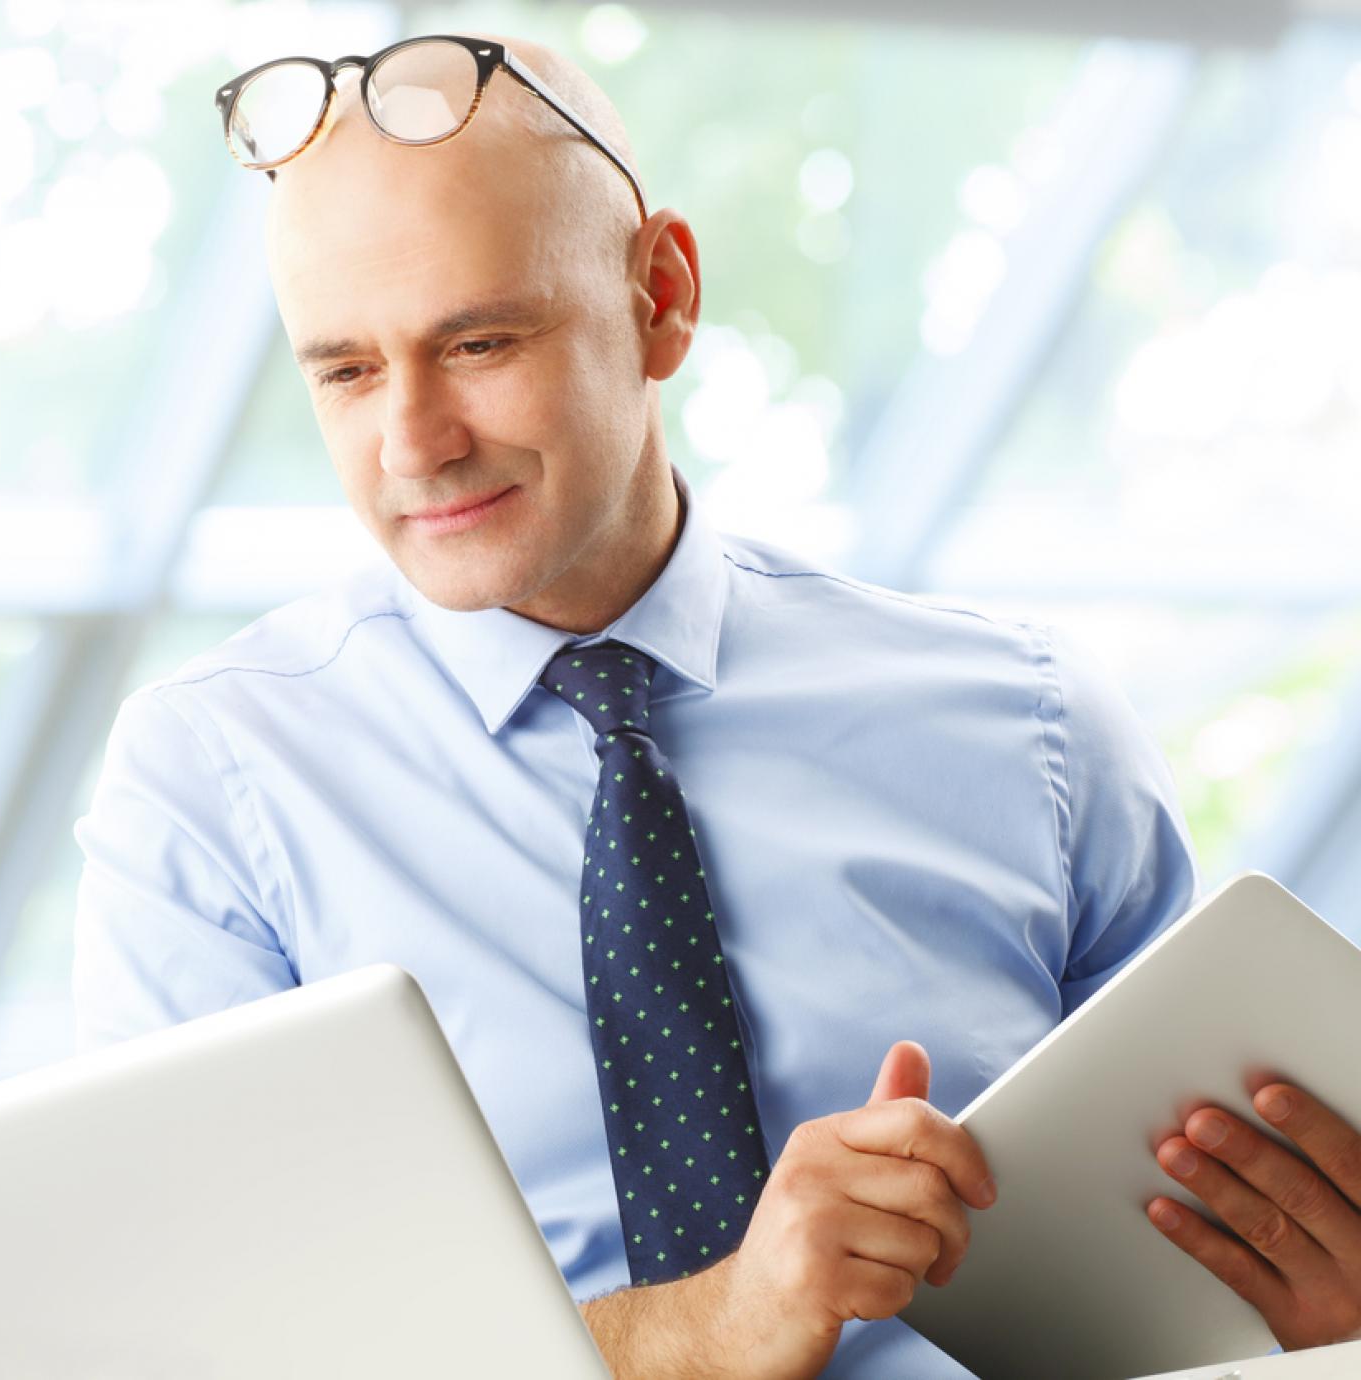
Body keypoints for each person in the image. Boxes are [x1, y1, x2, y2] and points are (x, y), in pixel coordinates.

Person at [69, 29, 1361, 1377]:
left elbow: (1195, 1291)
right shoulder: (217, 787)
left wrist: (1314, 1321)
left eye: (481, 340)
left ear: (663, 298)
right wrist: (720, 1321)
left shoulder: (1031, 730)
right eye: (345, 370)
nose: (415, 441)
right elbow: (198, 1350)